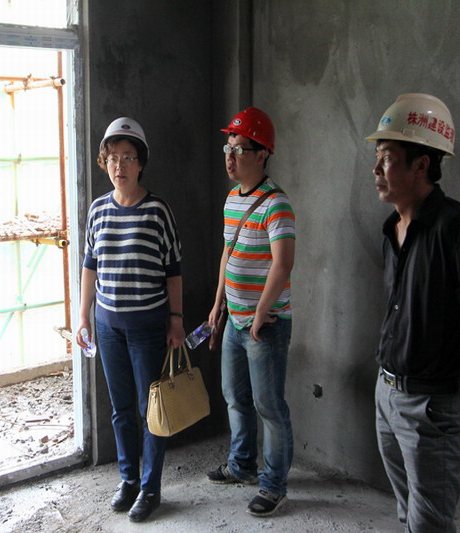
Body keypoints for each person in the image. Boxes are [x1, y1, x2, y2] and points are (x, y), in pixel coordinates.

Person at [366, 93, 460, 532]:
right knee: (408, 510)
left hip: (430, 406)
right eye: (376, 157)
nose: (376, 170)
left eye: (387, 159)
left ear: (421, 165)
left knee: (429, 522)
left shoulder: (456, 228)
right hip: (388, 392)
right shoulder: (393, 228)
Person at [76, 117, 184, 522]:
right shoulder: (98, 209)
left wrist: (176, 320)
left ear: (141, 164)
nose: (119, 165)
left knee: (150, 408)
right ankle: (129, 480)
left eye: (128, 157)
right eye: (112, 158)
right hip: (108, 326)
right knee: (120, 409)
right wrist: (83, 315)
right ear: (104, 162)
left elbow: (174, 270)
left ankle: (151, 488)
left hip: (147, 327)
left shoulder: (157, 210)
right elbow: (90, 265)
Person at [206, 107, 296, 518]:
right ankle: (242, 464)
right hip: (234, 320)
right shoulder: (232, 200)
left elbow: (283, 263)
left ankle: (274, 485)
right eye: (228, 148)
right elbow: (228, 253)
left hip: (265, 325)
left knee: (269, 406)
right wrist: (218, 303)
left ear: (262, 155)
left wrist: (260, 313)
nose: (230, 157)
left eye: (239, 149)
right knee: (235, 397)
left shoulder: (276, 204)